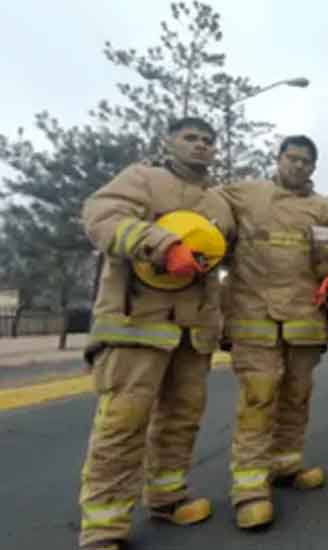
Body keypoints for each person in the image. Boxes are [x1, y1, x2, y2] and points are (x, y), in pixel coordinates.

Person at [77, 117, 235, 550]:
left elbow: (231, 264)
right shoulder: (142, 179)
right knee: (122, 424)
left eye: (208, 140)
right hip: (136, 325)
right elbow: (100, 215)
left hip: (193, 332)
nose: (201, 146)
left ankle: (168, 497)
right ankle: (104, 527)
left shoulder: (219, 204)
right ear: (169, 142)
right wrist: (161, 245)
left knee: (181, 420)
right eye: (191, 138)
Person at [215, 135, 328, 528]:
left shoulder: (322, 208)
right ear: (279, 159)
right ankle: (249, 489)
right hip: (254, 316)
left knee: (297, 396)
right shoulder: (245, 194)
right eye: (292, 158)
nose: (298, 166)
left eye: (306, 161)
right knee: (259, 397)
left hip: (304, 319)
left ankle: (285, 464)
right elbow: (204, 210)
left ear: (314, 168)